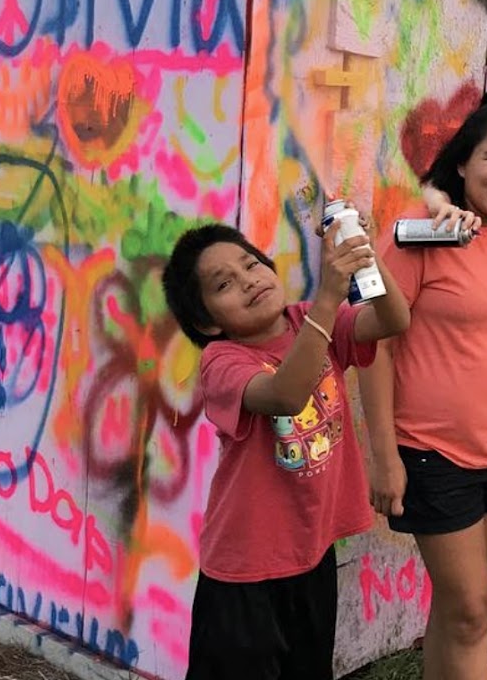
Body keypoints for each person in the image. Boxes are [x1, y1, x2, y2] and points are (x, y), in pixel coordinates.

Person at [162, 219, 410, 679]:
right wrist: (330, 298)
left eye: (251, 264)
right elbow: (285, 396)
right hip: (244, 573)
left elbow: (394, 320)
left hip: (311, 554)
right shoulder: (222, 362)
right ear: (206, 320)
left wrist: (366, 254)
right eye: (224, 284)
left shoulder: (308, 321)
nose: (249, 280)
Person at [359, 91, 487, 680]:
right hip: (434, 452)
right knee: (470, 614)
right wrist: (384, 457)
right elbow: (374, 344)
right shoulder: (419, 236)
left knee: (458, 611)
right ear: (463, 162)